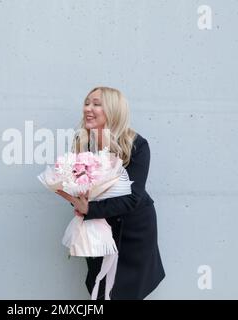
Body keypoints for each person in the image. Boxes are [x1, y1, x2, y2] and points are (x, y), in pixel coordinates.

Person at [56, 86, 165, 299]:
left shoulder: (136, 145)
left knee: (127, 290)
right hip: (98, 228)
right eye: (87, 103)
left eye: (96, 104)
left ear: (113, 110)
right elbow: (77, 186)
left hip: (134, 230)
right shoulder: (81, 142)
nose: (88, 108)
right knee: (100, 287)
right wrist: (78, 203)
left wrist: (90, 209)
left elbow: (133, 197)